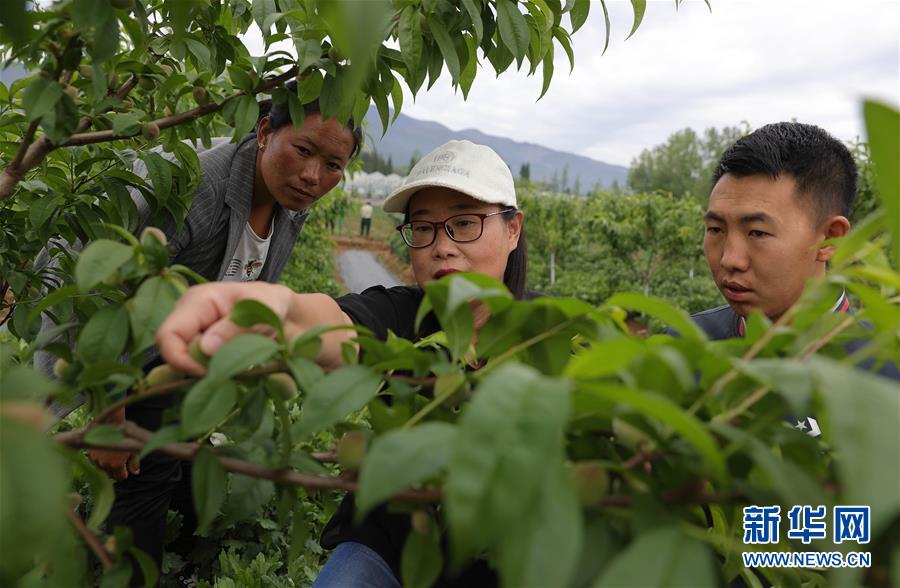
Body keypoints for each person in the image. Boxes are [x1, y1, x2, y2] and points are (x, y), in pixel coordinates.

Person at [156, 139, 529, 587]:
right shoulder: (403, 316)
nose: (441, 246)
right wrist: (279, 314)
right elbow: (337, 325)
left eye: (465, 223)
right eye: (424, 227)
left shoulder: (557, 340)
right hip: (386, 545)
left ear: (512, 230)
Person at [83, 86, 362, 583]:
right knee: (141, 482)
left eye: (333, 165)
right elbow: (110, 297)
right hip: (136, 348)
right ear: (262, 133)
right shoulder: (198, 188)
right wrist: (109, 416)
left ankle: (183, 558)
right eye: (303, 150)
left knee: (185, 463)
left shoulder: (291, 198)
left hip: (195, 352)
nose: (313, 176)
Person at [693, 121, 898, 383]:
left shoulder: (885, 373)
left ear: (830, 238)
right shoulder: (681, 352)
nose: (730, 259)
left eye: (757, 232)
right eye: (715, 229)